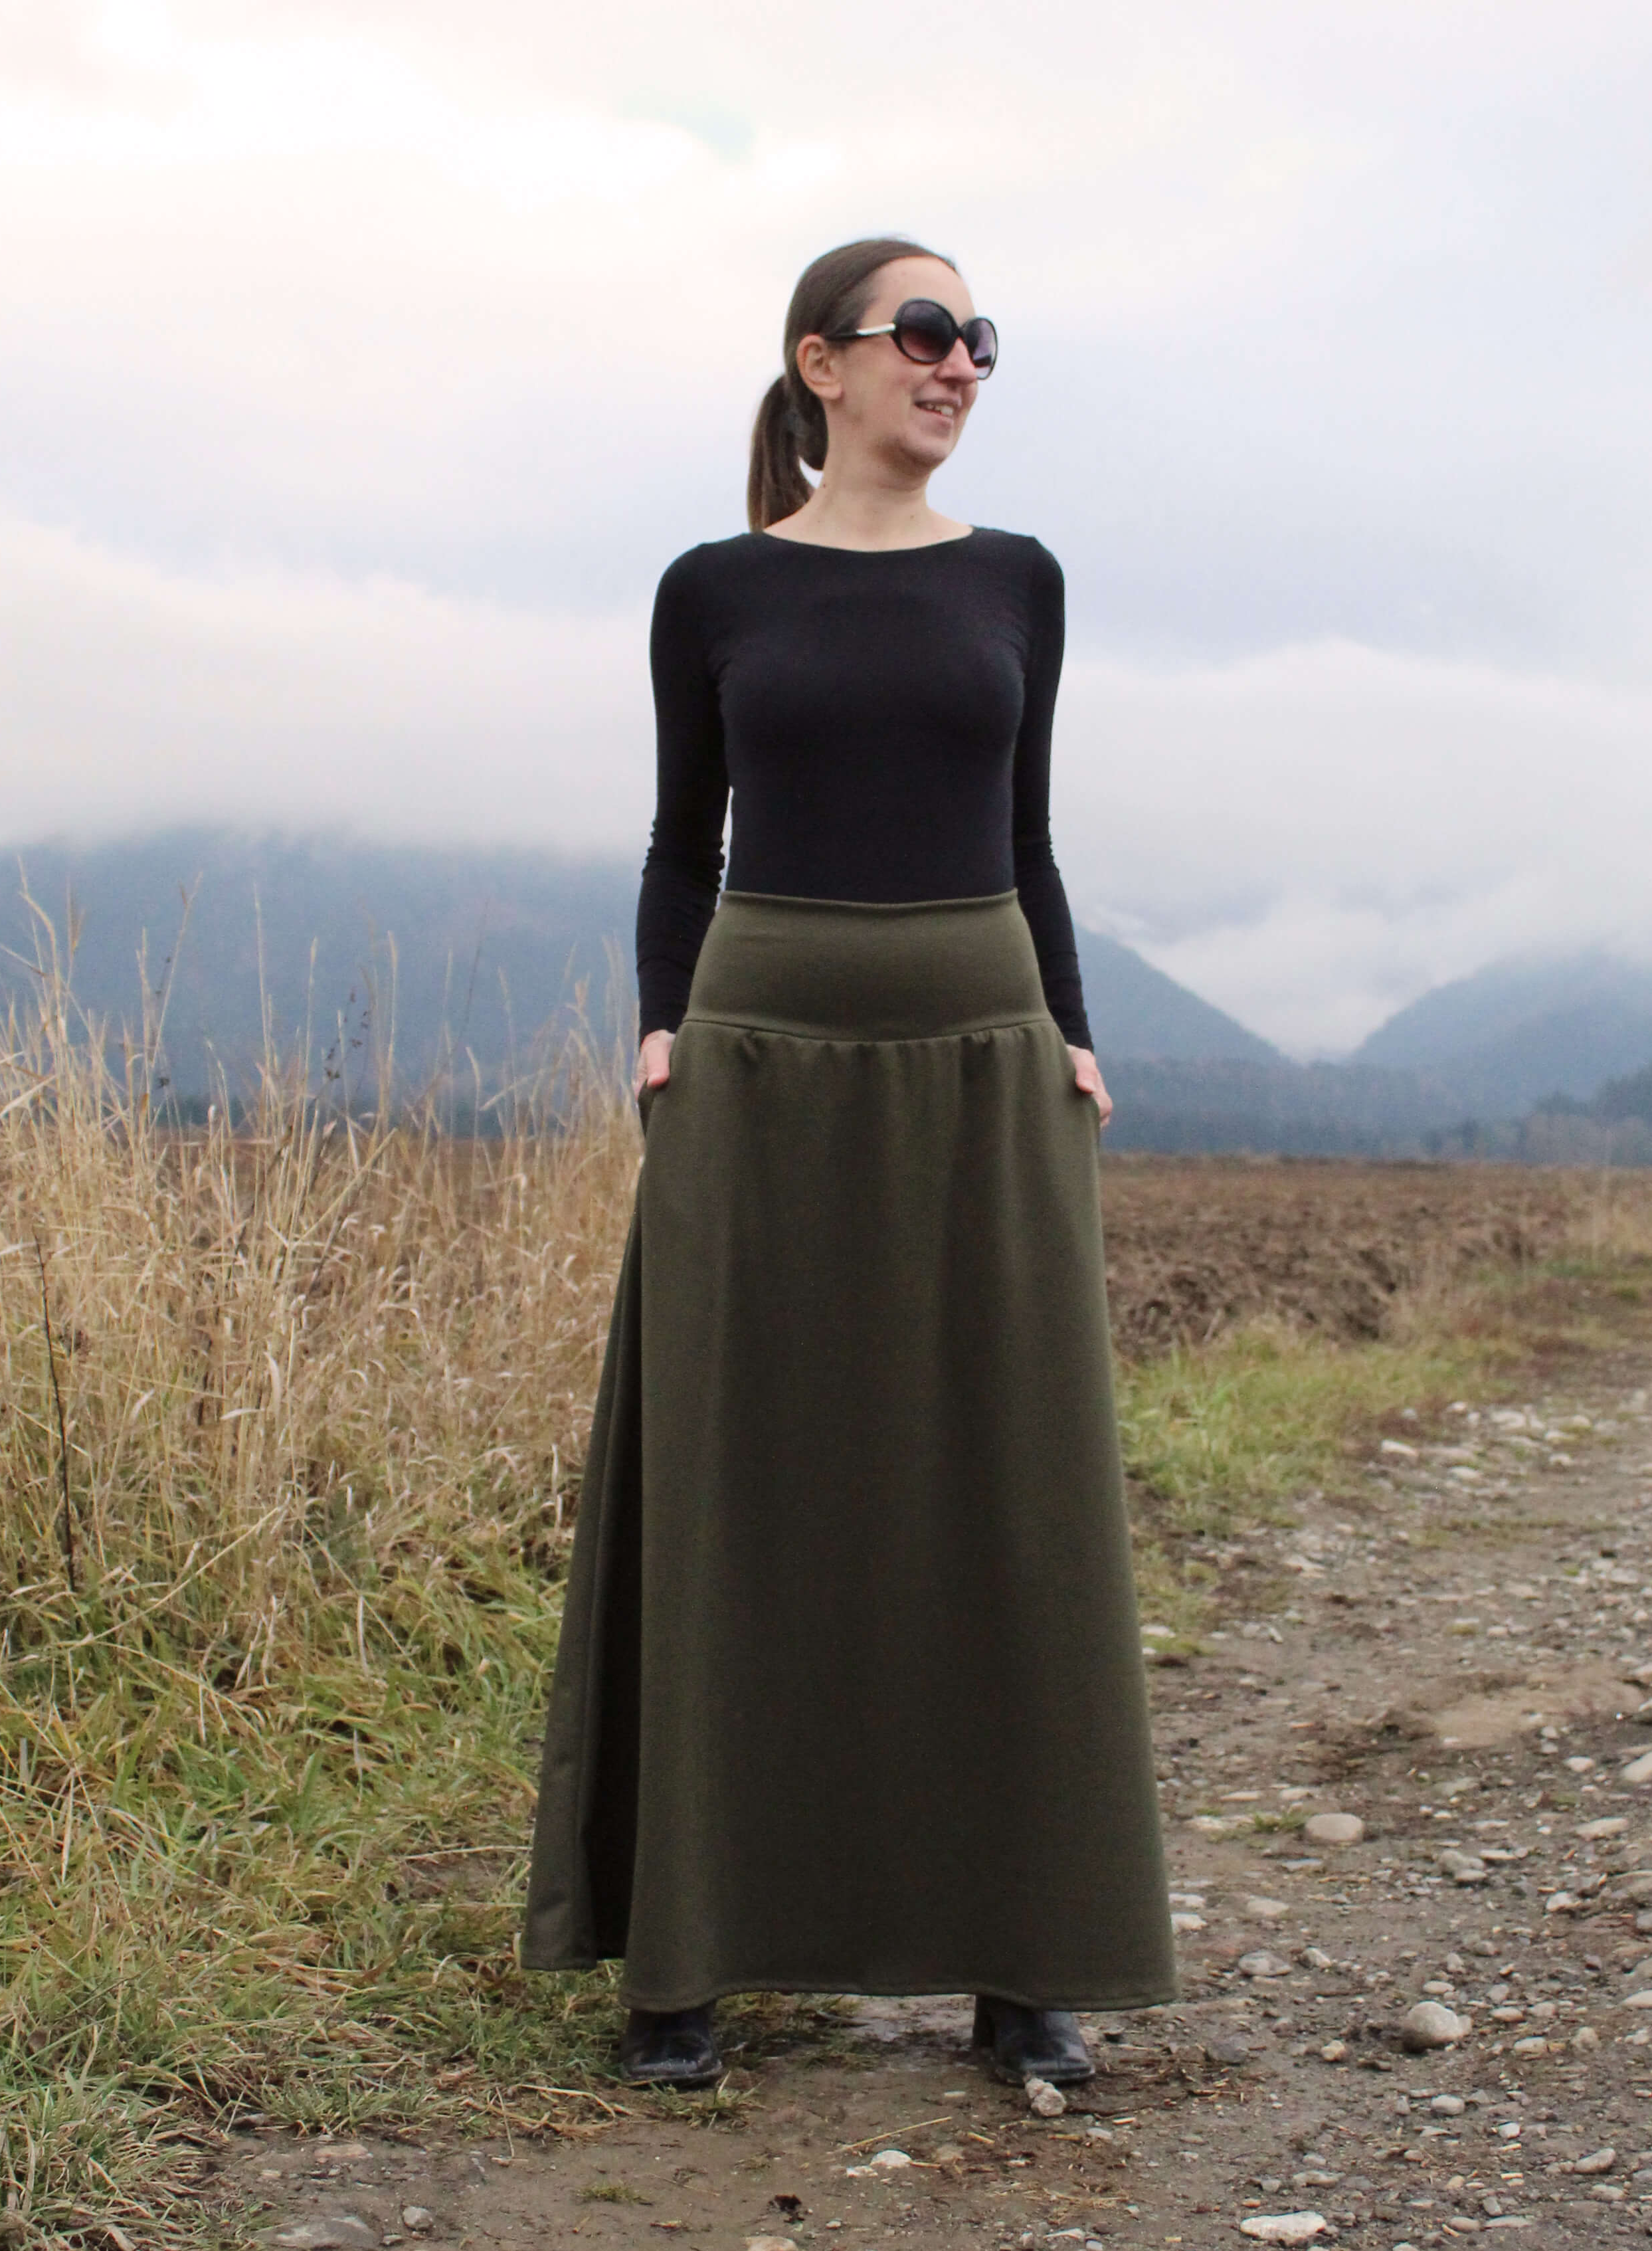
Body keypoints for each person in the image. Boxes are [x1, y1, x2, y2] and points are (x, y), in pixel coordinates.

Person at [523, 235, 1176, 2087]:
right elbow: (682, 842)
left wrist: (1068, 1027)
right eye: (923, 333)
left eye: (978, 340)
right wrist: (661, 1023)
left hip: (982, 1041)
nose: (956, 364)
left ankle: (1024, 1960)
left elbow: (1027, 836)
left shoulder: (1019, 580)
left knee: (1006, 1487)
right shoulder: (714, 588)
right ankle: (685, 1961)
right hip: (756, 1046)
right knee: (738, 1479)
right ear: (823, 363)